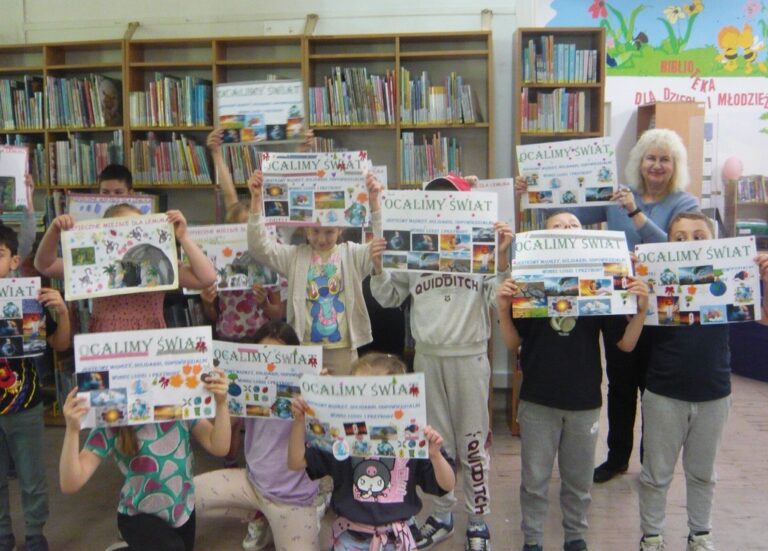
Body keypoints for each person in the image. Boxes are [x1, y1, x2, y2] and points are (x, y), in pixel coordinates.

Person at [518, 128, 701, 483]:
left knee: (656, 391)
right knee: (620, 385)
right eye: (651, 157)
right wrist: (535, 194)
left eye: (665, 159)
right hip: (619, 307)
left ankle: (652, 463)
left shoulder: (684, 203)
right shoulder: (618, 195)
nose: (657, 165)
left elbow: (675, 253)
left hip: (663, 313)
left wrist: (635, 214)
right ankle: (617, 458)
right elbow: (570, 218)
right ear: (639, 162)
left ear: (675, 165)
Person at [369, 174, 513, 551]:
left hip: (470, 356)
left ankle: (478, 519)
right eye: (435, 201)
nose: (442, 208)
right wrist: (381, 265)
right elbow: (386, 297)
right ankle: (443, 513)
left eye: (451, 201)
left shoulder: (479, 248)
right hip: (429, 356)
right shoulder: (414, 248)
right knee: (436, 442)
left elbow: (499, 299)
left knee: (473, 443)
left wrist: (499, 256)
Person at [496, 211, 648, 551]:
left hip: (583, 403)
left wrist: (640, 312)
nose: (567, 229)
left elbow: (624, 344)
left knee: (578, 481)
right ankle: (532, 541)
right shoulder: (529, 285)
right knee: (534, 480)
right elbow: (511, 343)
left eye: (574, 225)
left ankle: (575, 538)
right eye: (558, 226)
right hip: (537, 400)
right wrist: (504, 310)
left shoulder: (599, 291)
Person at [638, 212, 767, 551]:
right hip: (664, 391)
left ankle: (700, 534)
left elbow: (763, 319)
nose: (690, 243)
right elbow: (630, 329)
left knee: (703, 473)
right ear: (667, 246)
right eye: (679, 238)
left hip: (714, 391)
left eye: (698, 236)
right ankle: (651, 536)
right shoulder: (655, 281)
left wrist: (764, 279)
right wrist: (635, 288)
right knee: (655, 474)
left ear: (714, 243)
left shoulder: (725, 283)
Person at [287, 353, 456, 551]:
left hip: (397, 538)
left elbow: (447, 484)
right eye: (360, 395)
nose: (369, 405)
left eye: (379, 398)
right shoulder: (340, 437)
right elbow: (296, 462)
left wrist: (435, 455)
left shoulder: (412, 438)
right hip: (350, 539)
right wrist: (299, 421)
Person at [59, 367, 231, 551]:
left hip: (182, 510)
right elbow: (71, 482)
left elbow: (219, 446)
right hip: (137, 515)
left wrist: (221, 404)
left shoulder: (179, 406)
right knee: (172, 548)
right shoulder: (113, 420)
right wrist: (72, 430)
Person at [195, 321, 320, 551]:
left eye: (280, 358)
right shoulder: (247, 389)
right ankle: (259, 517)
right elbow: (221, 440)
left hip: (292, 499)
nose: (271, 365)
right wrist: (223, 403)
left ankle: (308, 512)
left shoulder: (306, 395)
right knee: (187, 495)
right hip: (252, 484)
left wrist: (321, 396)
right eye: (264, 357)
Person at [246, 169, 383, 375]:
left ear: (340, 230)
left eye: (329, 232)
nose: (321, 238)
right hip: (305, 348)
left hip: (343, 349)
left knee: (342, 402)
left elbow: (381, 247)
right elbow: (259, 247)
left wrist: (374, 203)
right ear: (305, 230)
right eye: (314, 231)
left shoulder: (352, 254)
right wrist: (256, 199)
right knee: (306, 403)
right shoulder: (294, 257)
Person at [33, 204, 217, 332]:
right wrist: (54, 231)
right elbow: (45, 265)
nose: (129, 238)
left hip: (150, 337)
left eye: (135, 230)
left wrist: (183, 237)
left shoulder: (157, 262)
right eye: (120, 232)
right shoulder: (97, 264)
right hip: (106, 339)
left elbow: (207, 278)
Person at [0, 224, 71, 551]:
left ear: (15, 261)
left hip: (25, 405)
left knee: (31, 477)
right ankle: (3, 533)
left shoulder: (29, 300)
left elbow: (59, 343)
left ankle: (34, 533)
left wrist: (62, 311)